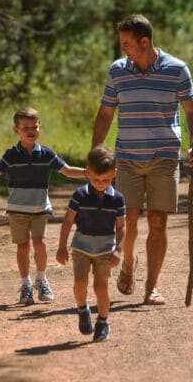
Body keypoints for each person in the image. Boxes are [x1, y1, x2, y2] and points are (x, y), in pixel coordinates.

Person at [92, 13, 193, 305]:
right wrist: (96, 152)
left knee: (157, 221)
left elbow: (192, 110)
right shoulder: (118, 71)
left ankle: (151, 286)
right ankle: (128, 264)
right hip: (127, 157)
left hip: (164, 157)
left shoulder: (177, 70)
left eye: (127, 44)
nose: (123, 49)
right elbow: (106, 113)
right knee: (127, 219)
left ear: (144, 41)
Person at [0, 107, 86, 305]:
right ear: (17, 130)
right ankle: (26, 284)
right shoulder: (11, 155)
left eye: (34, 127)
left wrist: (87, 172)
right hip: (17, 210)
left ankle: (41, 279)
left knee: (40, 243)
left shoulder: (46, 154)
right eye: (26, 128)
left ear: (39, 127)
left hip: (40, 209)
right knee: (23, 246)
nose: (31, 131)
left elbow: (67, 170)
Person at [56, 146, 126, 342]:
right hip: (81, 247)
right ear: (87, 172)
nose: (100, 184)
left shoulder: (117, 199)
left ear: (114, 174)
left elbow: (121, 227)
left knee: (100, 287)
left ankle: (103, 322)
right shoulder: (80, 195)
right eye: (96, 179)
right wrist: (62, 247)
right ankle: (82, 309)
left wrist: (118, 250)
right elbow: (68, 221)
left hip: (105, 250)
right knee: (80, 283)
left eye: (106, 180)